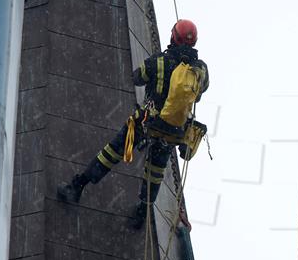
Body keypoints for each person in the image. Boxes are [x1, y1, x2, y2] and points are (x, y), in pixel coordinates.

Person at [57, 19, 209, 229]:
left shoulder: (158, 61)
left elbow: (137, 77)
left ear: (173, 37)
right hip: (172, 133)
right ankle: (141, 213)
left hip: (147, 123)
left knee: (112, 152)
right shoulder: (199, 71)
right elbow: (200, 93)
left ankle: (78, 186)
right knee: (154, 173)